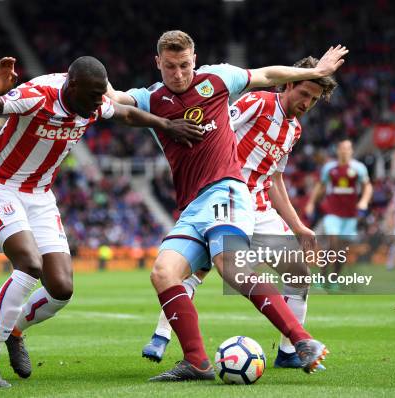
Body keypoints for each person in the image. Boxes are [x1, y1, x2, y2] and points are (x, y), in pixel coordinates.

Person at [107, 30, 347, 381]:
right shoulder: (150, 97)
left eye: (185, 65)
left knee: (233, 268)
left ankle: (300, 342)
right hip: (193, 205)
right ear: (157, 63)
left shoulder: (219, 78)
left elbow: (267, 74)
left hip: (231, 193)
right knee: (164, 273)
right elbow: (115, 102)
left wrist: (313, 71)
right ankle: (196, 362)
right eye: (170, 67)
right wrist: (82, 78)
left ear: (195, 58)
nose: (179, 74)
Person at [0, 56, 204, 388]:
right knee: (29, 265)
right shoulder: (37, 95)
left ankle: (14, 330)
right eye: (92, 96)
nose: (97, 104)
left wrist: (166, 125)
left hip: (40, 194)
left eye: (100, 96)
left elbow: (127, 114)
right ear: (72, 86)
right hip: (1, 186)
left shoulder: (93, 100)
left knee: (61, 288)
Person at [305, 139, 372, 287]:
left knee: (342, 249)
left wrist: (364, 201)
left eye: (347, 148)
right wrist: (310, 203)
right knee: (332, 242)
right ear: (338, 150)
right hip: (332, 212)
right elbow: (320, 186)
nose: (344, 151)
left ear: (351, 151)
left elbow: (367, 187)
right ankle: (322, 278)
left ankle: (334, 279)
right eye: (342, 148)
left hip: (350, 215)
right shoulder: (329, 168)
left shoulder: (359, 168)